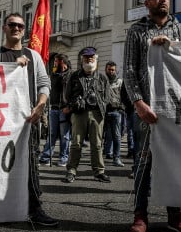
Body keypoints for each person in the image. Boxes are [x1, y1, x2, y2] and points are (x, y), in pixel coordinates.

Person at [123, 0, 181, 232]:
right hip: (146, 109)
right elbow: (129, 71)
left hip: (174, 110)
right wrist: (138, 103)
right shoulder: (136, 31)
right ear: (147, 2)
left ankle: (175, 215)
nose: (162, 1)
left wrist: (171, 47)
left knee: (173, 163)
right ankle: (140, 215)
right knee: (143, 164)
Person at [0, 13, 58, 227]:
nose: (16, 28)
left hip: (28, 120)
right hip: (0, 122)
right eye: (12, 25)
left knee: (31, 164)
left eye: (20, 26)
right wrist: (11, 68)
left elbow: (44, 83)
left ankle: (35, 208)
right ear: (4, 28)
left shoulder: (33, 56)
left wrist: (41, 105)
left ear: (24, 30)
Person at [62, 46, 111, 183]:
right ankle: (71, 171)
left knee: (97, 145)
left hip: (97, 113)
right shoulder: (74, 76)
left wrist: (100, 103)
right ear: (82, 59)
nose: (89, 59)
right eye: (86, 57)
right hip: (79, 114)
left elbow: (107, 97)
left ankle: (99, 172)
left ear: (96, 59)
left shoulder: (102, 78)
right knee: (76, 143)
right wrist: (75, 103)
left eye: (91, 57)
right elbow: (67, 95)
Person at [38, 53, 72, 167]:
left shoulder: (70, 75)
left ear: (64, 62)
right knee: (51, 134)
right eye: (55, 61)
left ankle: (63, 157)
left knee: (64, 136)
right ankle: (46, 156)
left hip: (64, 109)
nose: (55, 63)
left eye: (57, 61)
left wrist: (70, 107)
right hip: (53, 108)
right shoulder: (54, 74)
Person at [103, 61, 125, 167]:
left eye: (113, 70)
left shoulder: (120, 82)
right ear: (105, 69)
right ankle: (104, 155)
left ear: (115, 70)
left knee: (116, 136)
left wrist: (121, 108)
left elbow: (124, 96)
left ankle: (116, 158)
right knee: (103, 136)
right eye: (109, 69)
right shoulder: (102, 80)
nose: (111, 71)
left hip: (116, 112)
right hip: (104, 112)